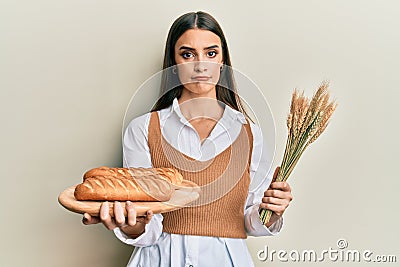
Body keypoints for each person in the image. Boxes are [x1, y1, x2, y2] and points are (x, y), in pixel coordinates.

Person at [83, 11, 293, 267]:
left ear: (223, 60)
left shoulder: (250, 134)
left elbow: (250, 221)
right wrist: (132, 223)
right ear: (173, 62)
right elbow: (147, 228)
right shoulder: (143, 129)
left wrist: (273, 211)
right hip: (159, 259)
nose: (201, 65)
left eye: (211, 53)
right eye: (187, 54)